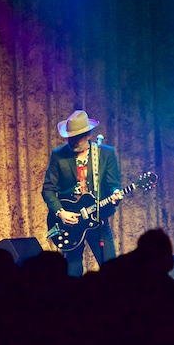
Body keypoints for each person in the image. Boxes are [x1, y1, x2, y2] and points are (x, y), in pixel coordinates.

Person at [42, 110, 123, 277]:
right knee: (72, 272)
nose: (72, 141)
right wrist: (61, 212)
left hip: (97, 220)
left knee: (113, 272)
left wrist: (115, 195)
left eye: (77, 137)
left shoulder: (105, 154)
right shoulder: (59, 155)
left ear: (88, 135)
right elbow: (48, 189)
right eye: (70, 137)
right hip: (69, 222)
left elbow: (113, 185)